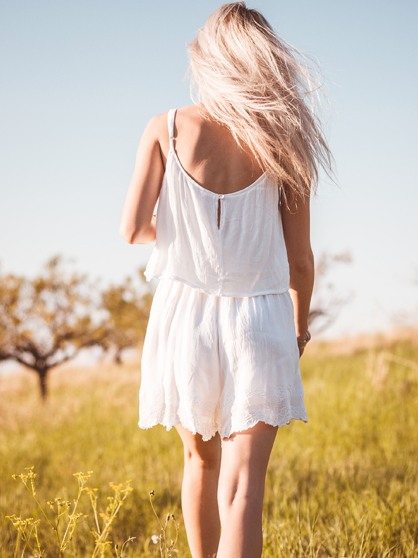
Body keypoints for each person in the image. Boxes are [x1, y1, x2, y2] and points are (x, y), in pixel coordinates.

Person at [119, 3, 331, 557]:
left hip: (185, 313)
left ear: (209, 58)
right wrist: (299, 328)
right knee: (243, 486)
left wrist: (189, 235)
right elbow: (301, 260)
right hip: (260, 316)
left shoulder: (165, 128)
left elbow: (133, 229)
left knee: (200, 463)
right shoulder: (286, 141)